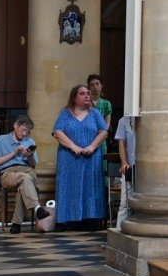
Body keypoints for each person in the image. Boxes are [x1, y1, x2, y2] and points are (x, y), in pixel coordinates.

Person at [52, 83, 108, 230]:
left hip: (91, 157)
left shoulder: (95, 113)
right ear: (74, 97)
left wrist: (92, 146)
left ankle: (91, 218)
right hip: (69, 157)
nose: (87, 96)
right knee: (68, 185)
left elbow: (104, 131)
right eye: (82, 93)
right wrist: (73, 146)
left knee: (91, 185)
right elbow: (57, 132)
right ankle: (67, 219)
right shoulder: (65, 113)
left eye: (88, 94)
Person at [0, 115, 50, 232]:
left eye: (27, 132)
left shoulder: (30, 141)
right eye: (23, 130)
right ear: (15, 126)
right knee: (25, 180)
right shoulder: (0, 139)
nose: (24, 134)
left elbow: (33, 165)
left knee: (25, 181)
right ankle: (37, 208)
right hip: (8, 172)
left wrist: (30, 156)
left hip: (27, 170)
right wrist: (14, 153)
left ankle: (17, 224)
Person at [114, 114, 136, 229]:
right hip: (130, 165)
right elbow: (121, 143)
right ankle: (119, 230)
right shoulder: (123, 120)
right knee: (125, 203)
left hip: (143, 166)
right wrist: (124, 162)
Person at [88, 73, 112, 152]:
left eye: (97, 84)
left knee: (102, 161)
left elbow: (107, 124)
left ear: (101, 86)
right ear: (89, 87)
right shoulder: (85, 102)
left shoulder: (106, 103)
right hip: (87, 136)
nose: (95, 87)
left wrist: (103, 133)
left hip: (101, 137)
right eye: (92, 85)